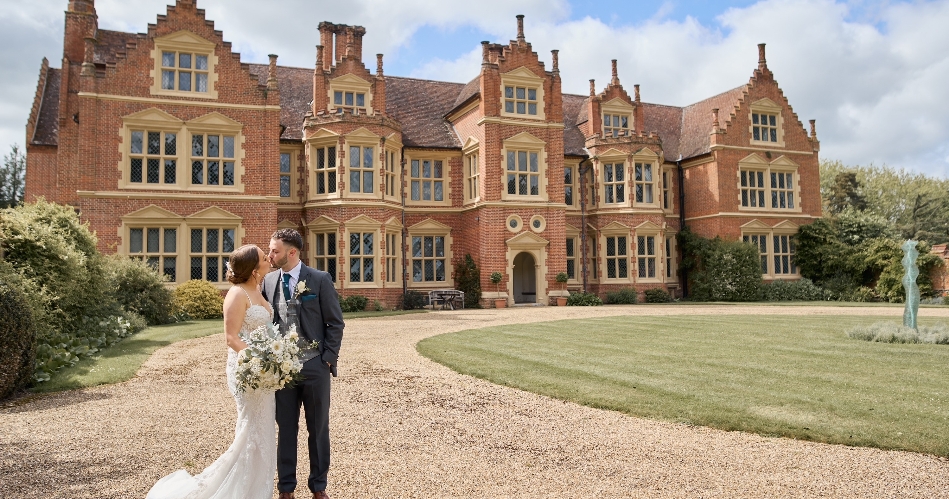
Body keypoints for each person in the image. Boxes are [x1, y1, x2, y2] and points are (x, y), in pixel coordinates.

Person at [146, 244, 277, 499]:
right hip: (248, 370)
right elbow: (231, 337)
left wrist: (276, 356)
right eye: (264, 257)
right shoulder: (237, 294)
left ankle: (258, 490)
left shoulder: (259, 289)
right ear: (253, 268)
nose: (268, 258)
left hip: (264, 372)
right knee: (251, 429)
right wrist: (258, 361)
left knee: (263, 430)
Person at [264, 229, 345, 499]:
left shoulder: (320, 279)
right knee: (286, 428)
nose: (270, 255)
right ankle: (286, 489)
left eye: (275, 251)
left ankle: (318, 487)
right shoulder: (269, 280)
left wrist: (327, 359)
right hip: (283, 371)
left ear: (292, 252)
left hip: (314, 367)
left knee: (318, 429)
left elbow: (335, 322)